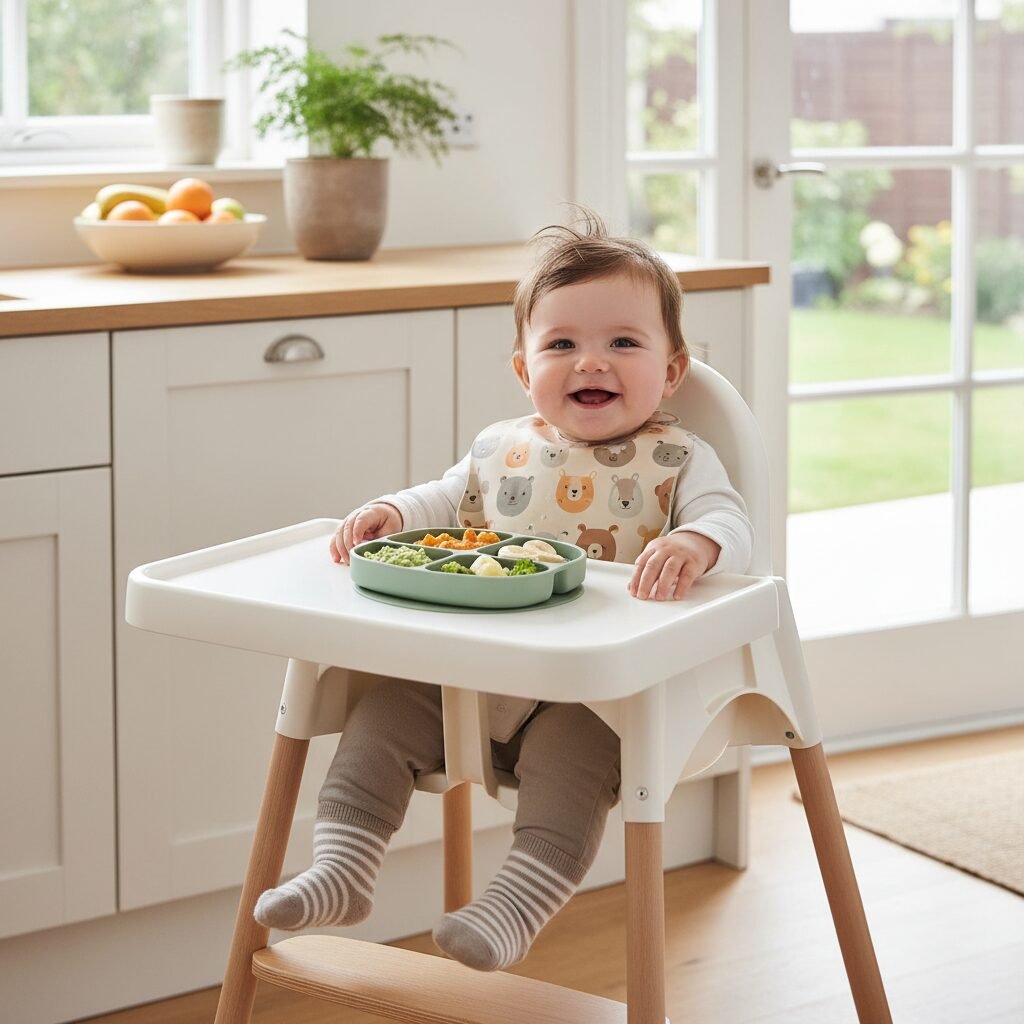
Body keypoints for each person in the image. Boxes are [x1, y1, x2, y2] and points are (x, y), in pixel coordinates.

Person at [254, 208, 753, 971]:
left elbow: (732, 521)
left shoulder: (680, 458)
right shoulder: (501, 449)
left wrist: (695, 540)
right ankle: (343, 866)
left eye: (623, 342)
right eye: (561, 344)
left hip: (594, 693)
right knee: (382, 706)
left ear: (672, 370)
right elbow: (444, 499)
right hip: (472, 674)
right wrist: (391, 513)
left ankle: (515, 904)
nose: (592, 363)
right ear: (525, 370)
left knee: (577, 756)